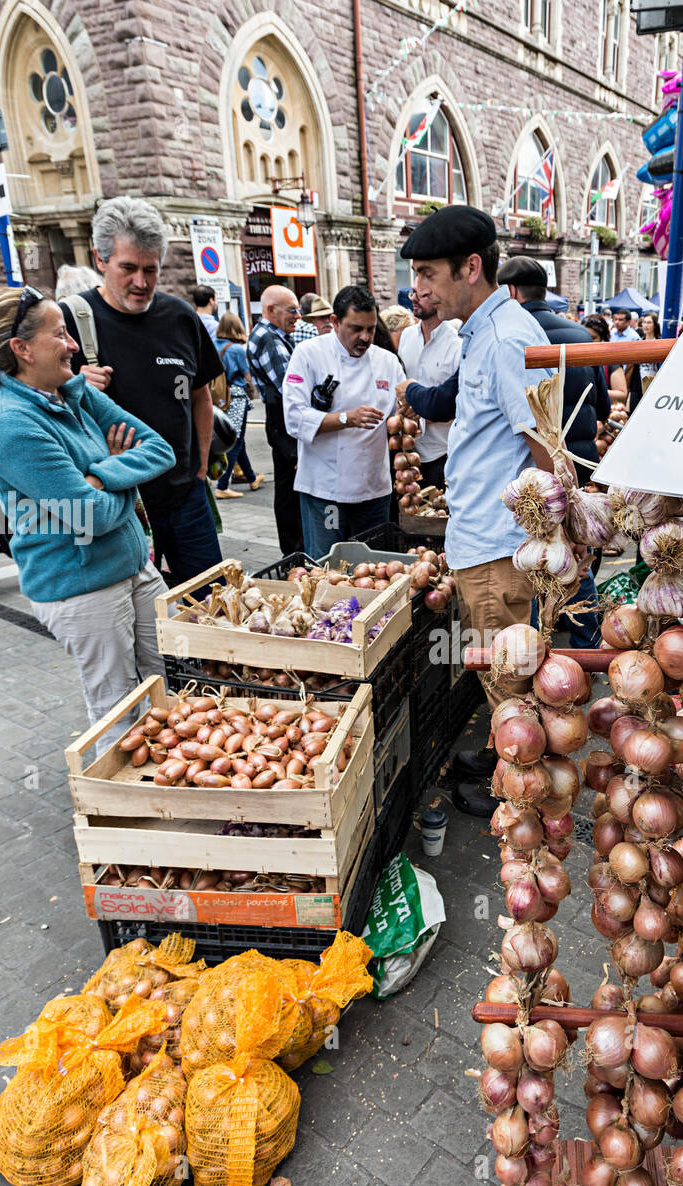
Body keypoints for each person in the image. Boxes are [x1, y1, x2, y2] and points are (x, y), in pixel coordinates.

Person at [399, 205, 553, 818]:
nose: (420, 289)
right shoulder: (485, 332)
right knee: (497, 676)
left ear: (471, 267)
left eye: (429, 273)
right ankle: (500, 762)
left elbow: (544, 448)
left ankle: (521, 796)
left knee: (511, 684)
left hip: (499, 547)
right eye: (415, 274)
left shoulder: (505, 338)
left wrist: (553, 540)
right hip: (481, 542)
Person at [0, 285, 176, 741]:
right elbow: (95, 517)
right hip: (81, 587)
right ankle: (122, 810)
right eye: (60, 333)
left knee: (173, 676)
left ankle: (175, 794)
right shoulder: (8, 424)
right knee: (120, 716)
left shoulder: (72, 391)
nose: (73, 345)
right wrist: (123, 480)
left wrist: (101, 473)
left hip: (133, 567)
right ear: (21, 349)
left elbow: (160, 449)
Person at [61, 197, 224, 589]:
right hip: (122, 504)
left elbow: (202, 395)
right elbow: (38, 408)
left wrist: (201, 463)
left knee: (213, 601)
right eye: (128, 268)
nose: (141, 282)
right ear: (101, 261)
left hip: (187, 498)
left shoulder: (181, 316)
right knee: (140, 616)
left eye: (151, 269)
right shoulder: (70, 319)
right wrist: (75, 383)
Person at [497, 255, 609, 649]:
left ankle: (537, 639)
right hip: (580, 457)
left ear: (510, 291)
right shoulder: (582, 335)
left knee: (544, 556)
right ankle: (588, 638)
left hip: (538, 471)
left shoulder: (513, 337)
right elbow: (605, 408)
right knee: (576, 559)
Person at [282, 284, 400, 560]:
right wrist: (347, 418)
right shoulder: (308, 354)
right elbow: (294, 418)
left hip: (374, 487)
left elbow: (400, 416)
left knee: (375, 568)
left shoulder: (388, 362)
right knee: (326, 567)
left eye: (370, 329)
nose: (365, 337)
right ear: (334, 322)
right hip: (326, 488)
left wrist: (409, 414)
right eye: (356, 328)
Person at [247, 284, 303, 555]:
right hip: (282, 425)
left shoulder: (272, 334)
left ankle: (293, 551)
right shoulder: (269, 338)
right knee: (289, 492)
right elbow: (291, 389)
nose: (298, 316)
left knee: (288, 490)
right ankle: (294, 553)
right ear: (270, 310)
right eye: (292, 310)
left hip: (279, 424)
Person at [397, 289, 461, 490]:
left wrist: (421, 414)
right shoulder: (407, 336)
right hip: (408, 453)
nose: (414, 299)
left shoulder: (456, 344)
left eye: (423, 295)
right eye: (413, 293)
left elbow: (458, 403)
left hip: (444, 452)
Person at [214, 312, 264, 497]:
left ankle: (251, 478)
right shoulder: (236, 349)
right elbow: (247, 374)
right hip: (236, 396)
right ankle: (222, 485)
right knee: (235, 440)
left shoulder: (213, 344)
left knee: (238, 439)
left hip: (220, 397)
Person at [583, 315, 629, 404]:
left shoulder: (610, 360)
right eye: (584, 336)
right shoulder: (575, 357)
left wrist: (593, 392)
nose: (588, 341)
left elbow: (622, 394)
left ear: (602, 338)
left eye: (593, 338)